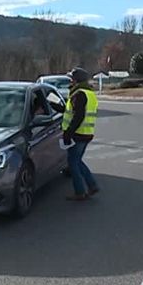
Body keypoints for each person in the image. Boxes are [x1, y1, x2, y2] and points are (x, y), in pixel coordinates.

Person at [50, 67, 100, 201]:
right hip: (86, 133)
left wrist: (69, 133)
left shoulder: (79, 94)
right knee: (77, 161)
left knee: (73, 163)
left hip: (78, 135)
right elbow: (68, 110)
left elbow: (78, 116)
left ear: (76, 80)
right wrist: (52, 104)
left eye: (71, 79)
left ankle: (80, 192)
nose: (70, 81)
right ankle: (92, 185)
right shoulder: (88, 93)